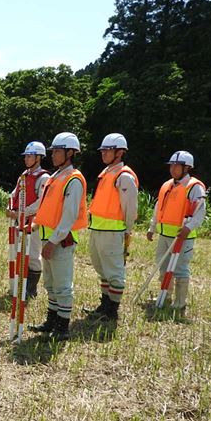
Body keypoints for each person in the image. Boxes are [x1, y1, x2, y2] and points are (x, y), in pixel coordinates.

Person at [29, 132, 87, 341]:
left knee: (62, 285)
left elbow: (68, 217)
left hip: (61, 241)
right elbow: (47, 210)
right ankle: (51, 321)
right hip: (48, 238)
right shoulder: (54, 177)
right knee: (50, 284)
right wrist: (35, 226)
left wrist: (53, 242)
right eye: (53, 151)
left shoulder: (74, 180)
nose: (53, 155)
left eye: (58, 152)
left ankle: (63, 327)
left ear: (70, 153)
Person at [84, 133, 139, 320]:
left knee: (114, 271)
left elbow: (130, 208)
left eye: (108, 150)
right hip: (98, 229)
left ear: (120, 152)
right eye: (103, 150)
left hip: (113, 231)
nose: (104, 153)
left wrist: (127, 231)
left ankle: (112, 311)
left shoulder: (124, 176)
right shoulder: (107, 173)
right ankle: (104, 304)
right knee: (102, 269)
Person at [145, 151, 206, 312]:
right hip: (165, 234)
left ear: (186, 168)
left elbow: (200, 211)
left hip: (182, 236)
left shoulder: (194, 187)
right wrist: (152, 227)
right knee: (163, 267)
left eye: (176, 166)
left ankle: (180, 302)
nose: (172, 169)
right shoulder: (167, 185)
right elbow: (159, 208)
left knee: (180, 269)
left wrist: (188, 228)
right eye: (171, 165)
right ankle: (166, 295)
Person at [5, 141, 50, 299]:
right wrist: (11, 206)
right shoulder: (23, 175)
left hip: (34, 222)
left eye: (30, 156)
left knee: (32, 254)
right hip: (20, 220)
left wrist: (22, 213)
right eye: (26, 156)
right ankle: (22, 285)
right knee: (21, 253)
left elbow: (41, 202)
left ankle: (31, 289)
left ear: (38, 158)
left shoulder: (44, 177)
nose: (26, 159)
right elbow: (15, 193)